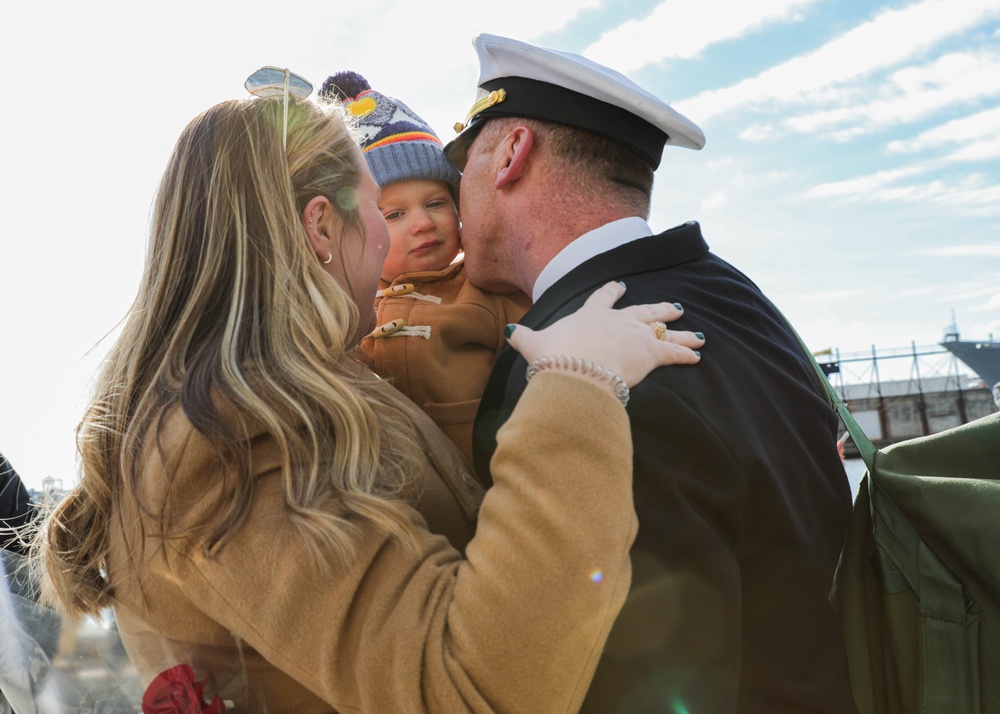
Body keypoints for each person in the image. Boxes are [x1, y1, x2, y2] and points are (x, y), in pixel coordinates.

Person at [32, 68, 705, 713]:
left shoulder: (305, 388)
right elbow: (473, 690)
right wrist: (577, 385)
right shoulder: (226, 441)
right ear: (321, 227)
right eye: (377, 207)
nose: (391, 233)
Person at [445, 34, 858, 713]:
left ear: (512, 154)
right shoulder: (739, 298)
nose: (453, 193)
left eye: (461, 162)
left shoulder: (581, 361)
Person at [318, 72, 530, 469]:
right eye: (394, 213)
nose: (422, 223)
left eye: (435, 203)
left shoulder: (491, 290)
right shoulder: (338, 312)